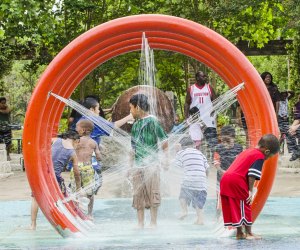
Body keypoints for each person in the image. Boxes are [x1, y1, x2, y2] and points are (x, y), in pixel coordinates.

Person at [220, 134, 280, 240]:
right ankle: (249, 233)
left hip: (225, 179)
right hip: (236, 180)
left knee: (236, 206)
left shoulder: (247, 151)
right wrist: (250, 190)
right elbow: (252, 174)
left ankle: (239, 233)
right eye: (269, 157)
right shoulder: (259, 156)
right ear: (266, 152)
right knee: (245, 204)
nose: (266, 159)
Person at [129, 93, 168, 229]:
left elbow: (164, 141)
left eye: (131, 108)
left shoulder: (152, 121)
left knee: (153, 192)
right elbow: (133, 148)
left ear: (138, 107)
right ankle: (140, 223)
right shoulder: (135, 125)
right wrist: (130, 167)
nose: (131, 111)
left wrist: (165, 159)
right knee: (138, 193)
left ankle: (153, 222)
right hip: (138, 165)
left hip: (152, 164)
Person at [30, 130, 81, 230]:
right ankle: (66, 223)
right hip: (55, 178)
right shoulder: (72, 153)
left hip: (42, 173)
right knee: (62, 199)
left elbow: (41, 145)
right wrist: (78, 186)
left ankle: (33, 225)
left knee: (35, 198)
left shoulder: (55, 140)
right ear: (76, 140)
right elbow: (76, 172)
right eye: (78, 143)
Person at [175, 136, 209, 225]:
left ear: (182, 146)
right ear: (193, 145)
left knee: (183, 196)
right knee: (199, 203)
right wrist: (205, 179)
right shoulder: (200, 153)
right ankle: (200, 220)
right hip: (201, 182)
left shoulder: (181, 153)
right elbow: (207, 169)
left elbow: (177, 166)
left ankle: (184, 211)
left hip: (189, 180)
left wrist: (177, 152)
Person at [71, 119, 101, 217]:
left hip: (76, 167)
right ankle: (89, 214)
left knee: (75, 191)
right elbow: (99, 157)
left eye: (77, 127)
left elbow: (70, 152)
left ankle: (76, 214)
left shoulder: (76, 141)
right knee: (90, 193)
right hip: (88, 168)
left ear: (83, 130)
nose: (75, 129)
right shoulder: (93, 142)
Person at [184, 71, 218, 154]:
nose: (205, 78)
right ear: (197, 78)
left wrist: (214, 111)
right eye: (203, 76)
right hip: (196, 118)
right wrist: (186, 117)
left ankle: (214, 159)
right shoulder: (191, 89)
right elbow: (187, 103)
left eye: (205, 76)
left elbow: (216, 101)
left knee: (212, 140)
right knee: (196, 141)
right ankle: (197, 157)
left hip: (208, 118)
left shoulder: (209, 88)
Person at [213, 125, 243, 217]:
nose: (225, 143)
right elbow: (216, 163)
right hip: (221, 177)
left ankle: (235, 217)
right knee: (220, 199)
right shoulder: (218, 148)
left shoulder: (239, 148)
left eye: (228, 140)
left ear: (233, 137)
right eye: (224, 140)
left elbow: (240, 162)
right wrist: (222, 172)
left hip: (235, 177)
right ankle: (218, 218)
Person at [288, 94, 300, 161]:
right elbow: (298, 118)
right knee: (289, 131)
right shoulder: (298, 105)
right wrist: (292, 127)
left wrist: (297, 127)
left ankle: (298, 152)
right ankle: (295, 152)